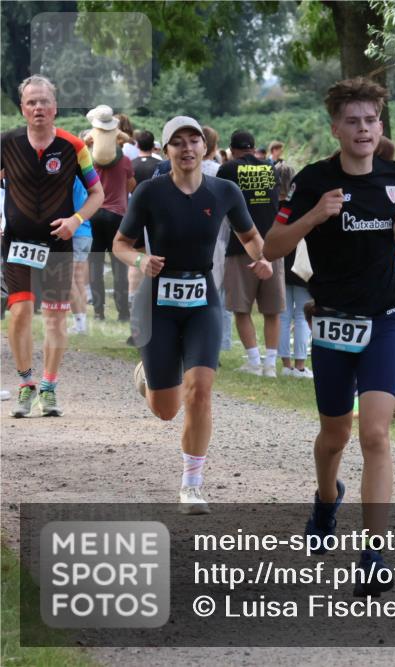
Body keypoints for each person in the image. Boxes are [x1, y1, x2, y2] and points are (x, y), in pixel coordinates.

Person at [262, 77, 395, 593]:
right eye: (352, 121)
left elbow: (389, 233)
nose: (363, 129)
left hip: (383, 317)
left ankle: (375, 554)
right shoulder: (312, 180)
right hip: (331, 321)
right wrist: (313, 215)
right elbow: (270, 245)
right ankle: (326, 500)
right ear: (336, 128)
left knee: (375, 433)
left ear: (381, 126)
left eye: (371, 120)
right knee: (335, 436)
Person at [113, 116, 272, 513]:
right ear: (166, 151)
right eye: (177, 142)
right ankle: (148, 375)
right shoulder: (150, 192)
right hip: (156, 305)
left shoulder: (225, 191)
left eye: (193, 141)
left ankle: (192, 484)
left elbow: (250, 236)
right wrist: (140, 259)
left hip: (203, 300)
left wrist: (261, 259)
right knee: (166, 410)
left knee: (200, 390)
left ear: (205, 147)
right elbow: (120, 243)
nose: (186, 149)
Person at [2, 75, 104, 418]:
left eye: (44, 101)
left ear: (55, 107)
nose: (38, 107)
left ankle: (48, 386)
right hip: (16, 242)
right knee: (19, 313)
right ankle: (25, 384)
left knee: (56, 318)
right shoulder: (7, 143)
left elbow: (97, 194)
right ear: (23, 109)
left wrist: (75, 221)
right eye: (31, 102)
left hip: (57, 243)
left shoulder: (75, 146)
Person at [217, 130, 285, 377]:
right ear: (254, 148)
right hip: (272, 247)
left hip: (240, 246)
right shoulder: (270, 168)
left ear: (232, 150)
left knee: (241, 308)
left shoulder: (227, 170)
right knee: (272, 309)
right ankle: (271, 365)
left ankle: (255, 361)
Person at [87, 106, 136, 323]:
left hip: (95, 214)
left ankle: (98, 312)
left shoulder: (90, 160)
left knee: (95, 266)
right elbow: (131, 185)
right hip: (117, 216)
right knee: (119, 268)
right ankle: (123, 312)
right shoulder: (125, 161)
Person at [68, 178, 92, 335]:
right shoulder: (83, 179)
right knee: (78, 281)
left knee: (67, 280)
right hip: (86, 233)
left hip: (75, 233)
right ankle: (81, 324)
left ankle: (79, 323)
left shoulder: (70, 179)